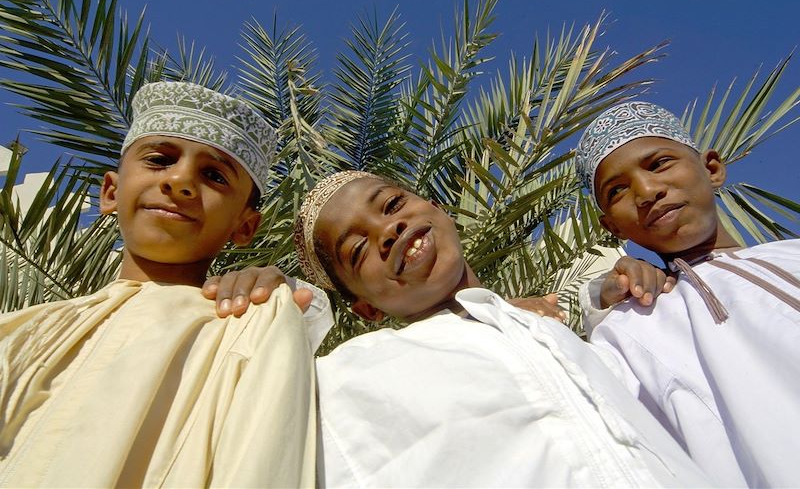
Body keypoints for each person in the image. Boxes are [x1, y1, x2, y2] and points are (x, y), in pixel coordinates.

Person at [0, 81, 332, 487]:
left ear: (245, 226)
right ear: (110, 191)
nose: (180, 181)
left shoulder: (249, 323)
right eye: (159, 160)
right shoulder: (22, 332)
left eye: (214, 175)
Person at [291, 170, 709, 487]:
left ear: (437, 207)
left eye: (392, 205)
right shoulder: (349, 377)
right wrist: (261, 301)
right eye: (359, 249)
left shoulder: (551, 332)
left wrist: (607, 304)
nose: (388, 230)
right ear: (366, 309)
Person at [576, 101, 800, 487]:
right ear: (612, 227)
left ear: (711, 169)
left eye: (659, 164)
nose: (646, 191)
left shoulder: (791, 254)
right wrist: (596, 299)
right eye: (617, 190)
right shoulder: (633, 327)